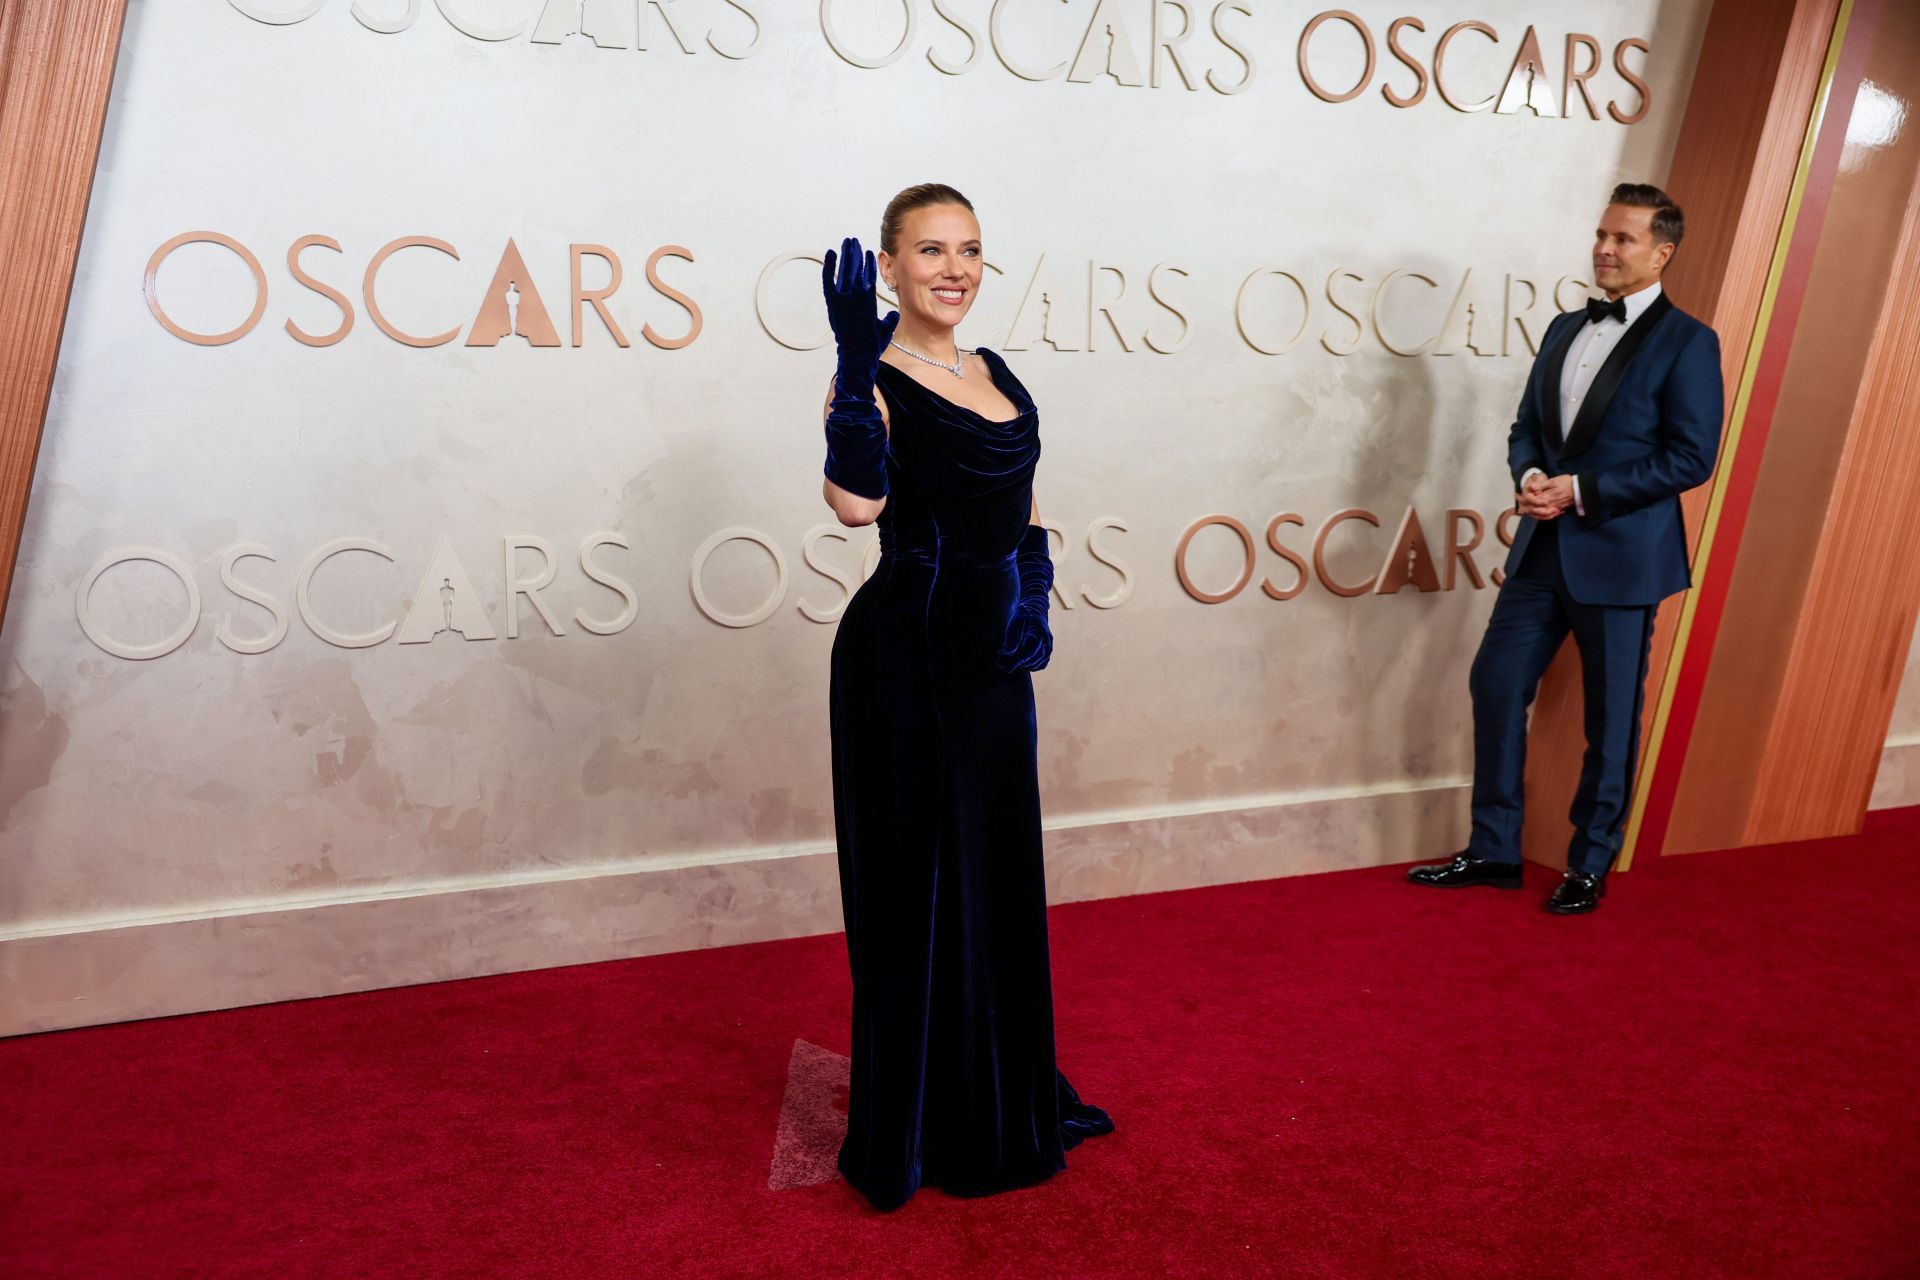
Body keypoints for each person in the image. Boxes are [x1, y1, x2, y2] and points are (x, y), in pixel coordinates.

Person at [818, 183, 1112, 1211]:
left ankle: (999, 1091)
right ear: (890, 267)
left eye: (971, 250)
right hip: (905, 655)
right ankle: (920, 1121)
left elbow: (1024, 498)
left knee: (993, 871)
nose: (954, 267)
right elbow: (857, 504)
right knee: (917, 887)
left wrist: (1032, 588)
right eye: (931, 249)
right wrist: (857, 361)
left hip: (992, 659)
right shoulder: (874, 375)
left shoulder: (996, 371)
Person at [1407, 183, 1725, 914]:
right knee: (1494, 684)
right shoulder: (1561, 328)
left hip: (1622, 556)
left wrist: (1580, 490)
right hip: (1542, 549)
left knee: (1609, 718)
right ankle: (1493, 850)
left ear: (1662, 252)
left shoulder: (1689, 341)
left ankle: (1589, 864)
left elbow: (1690, 458)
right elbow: (1526, 426)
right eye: (1601, 236)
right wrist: (1531, 475)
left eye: (1625, 240)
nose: (1606, 250)